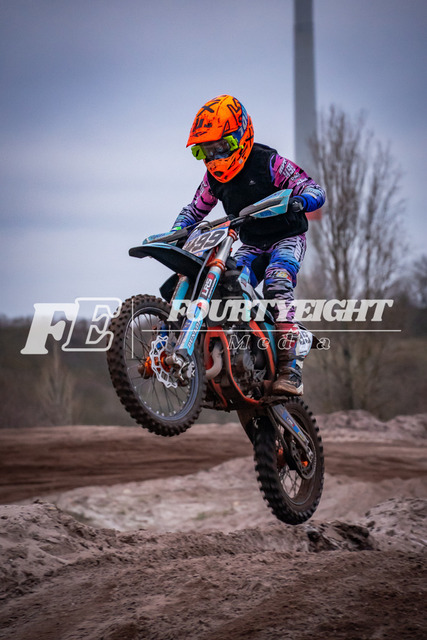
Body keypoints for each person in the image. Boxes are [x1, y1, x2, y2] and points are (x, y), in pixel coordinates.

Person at [171, 95, 325, 396]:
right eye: (205, 151)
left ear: (241, 136)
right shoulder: (212, 180)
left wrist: (300, 200)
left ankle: (291, 367)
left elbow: (313, 189)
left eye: (221, 147)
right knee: (229, 289)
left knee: (277, 285)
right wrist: (176, 231)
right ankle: (240, 353)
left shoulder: (269, 163)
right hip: (252, 244)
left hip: (286, 238)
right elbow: (194, 209)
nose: (214, 157)